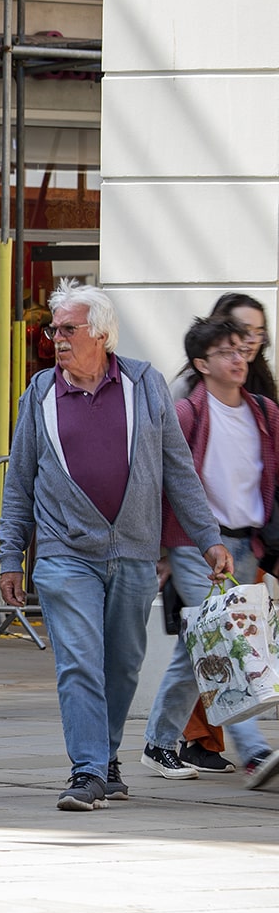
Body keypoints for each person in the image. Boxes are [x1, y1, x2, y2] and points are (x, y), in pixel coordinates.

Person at [0, 281, 233, 812]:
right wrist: (10, 555)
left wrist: (208, 540)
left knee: (123, 663)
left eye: (67, 329)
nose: (55, 337)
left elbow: (179, 468)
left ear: (100, 334)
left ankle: (105, 760)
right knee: (80, 660)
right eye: (53, 329)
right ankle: (86, 770)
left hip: (132, 550)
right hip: (64, 551)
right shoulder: (39, 393)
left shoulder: (144, 384)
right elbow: (19, 481)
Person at [141, 316, 279, 791]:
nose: (239, 358)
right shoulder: (188, 414)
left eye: (242, 349)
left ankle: (158, 741)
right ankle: (255, 750)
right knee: (224, 642)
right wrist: (162, 550)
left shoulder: (264, 413)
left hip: (246, 543)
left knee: (196, 648)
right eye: (226, 352)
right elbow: (165, 483)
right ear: (202, 364)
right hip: (196, 544)